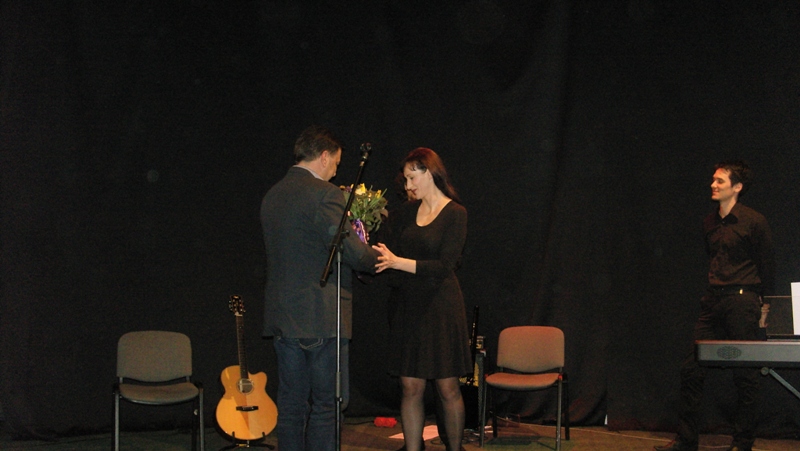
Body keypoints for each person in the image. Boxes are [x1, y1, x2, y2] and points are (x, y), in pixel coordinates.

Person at [260, 125, 380, 451]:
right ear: (324, 156)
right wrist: (378, 258)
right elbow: (350, 250)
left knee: (291, 403)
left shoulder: (273, 195)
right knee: (327, 404)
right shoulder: (325, 194)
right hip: (320, 317)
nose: (336, 171)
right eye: (336, 163)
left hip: (283, 317)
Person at [656, 160, 775, 451]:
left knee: (745, 375)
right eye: (713, 180)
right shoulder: (709, 222)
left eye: (720, 181)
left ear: (737, 187)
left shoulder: (754, 221)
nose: (713, 185)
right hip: (713, 301)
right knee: (691, 369)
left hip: (742, 301)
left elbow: (767, 265)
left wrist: (765, 307)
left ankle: (743, 443)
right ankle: (687, 441)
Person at [373, 147, 471, 451]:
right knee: (410, 386)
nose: (408, 186)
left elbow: (445, 265)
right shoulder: (404, 213)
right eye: (405, 180)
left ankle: (455, 448)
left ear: (429, 172)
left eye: (412, 177)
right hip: (408, 307)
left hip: (441, 308)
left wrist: (398, 262)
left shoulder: (455, 213)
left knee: (447, 387)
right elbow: (384, 251)